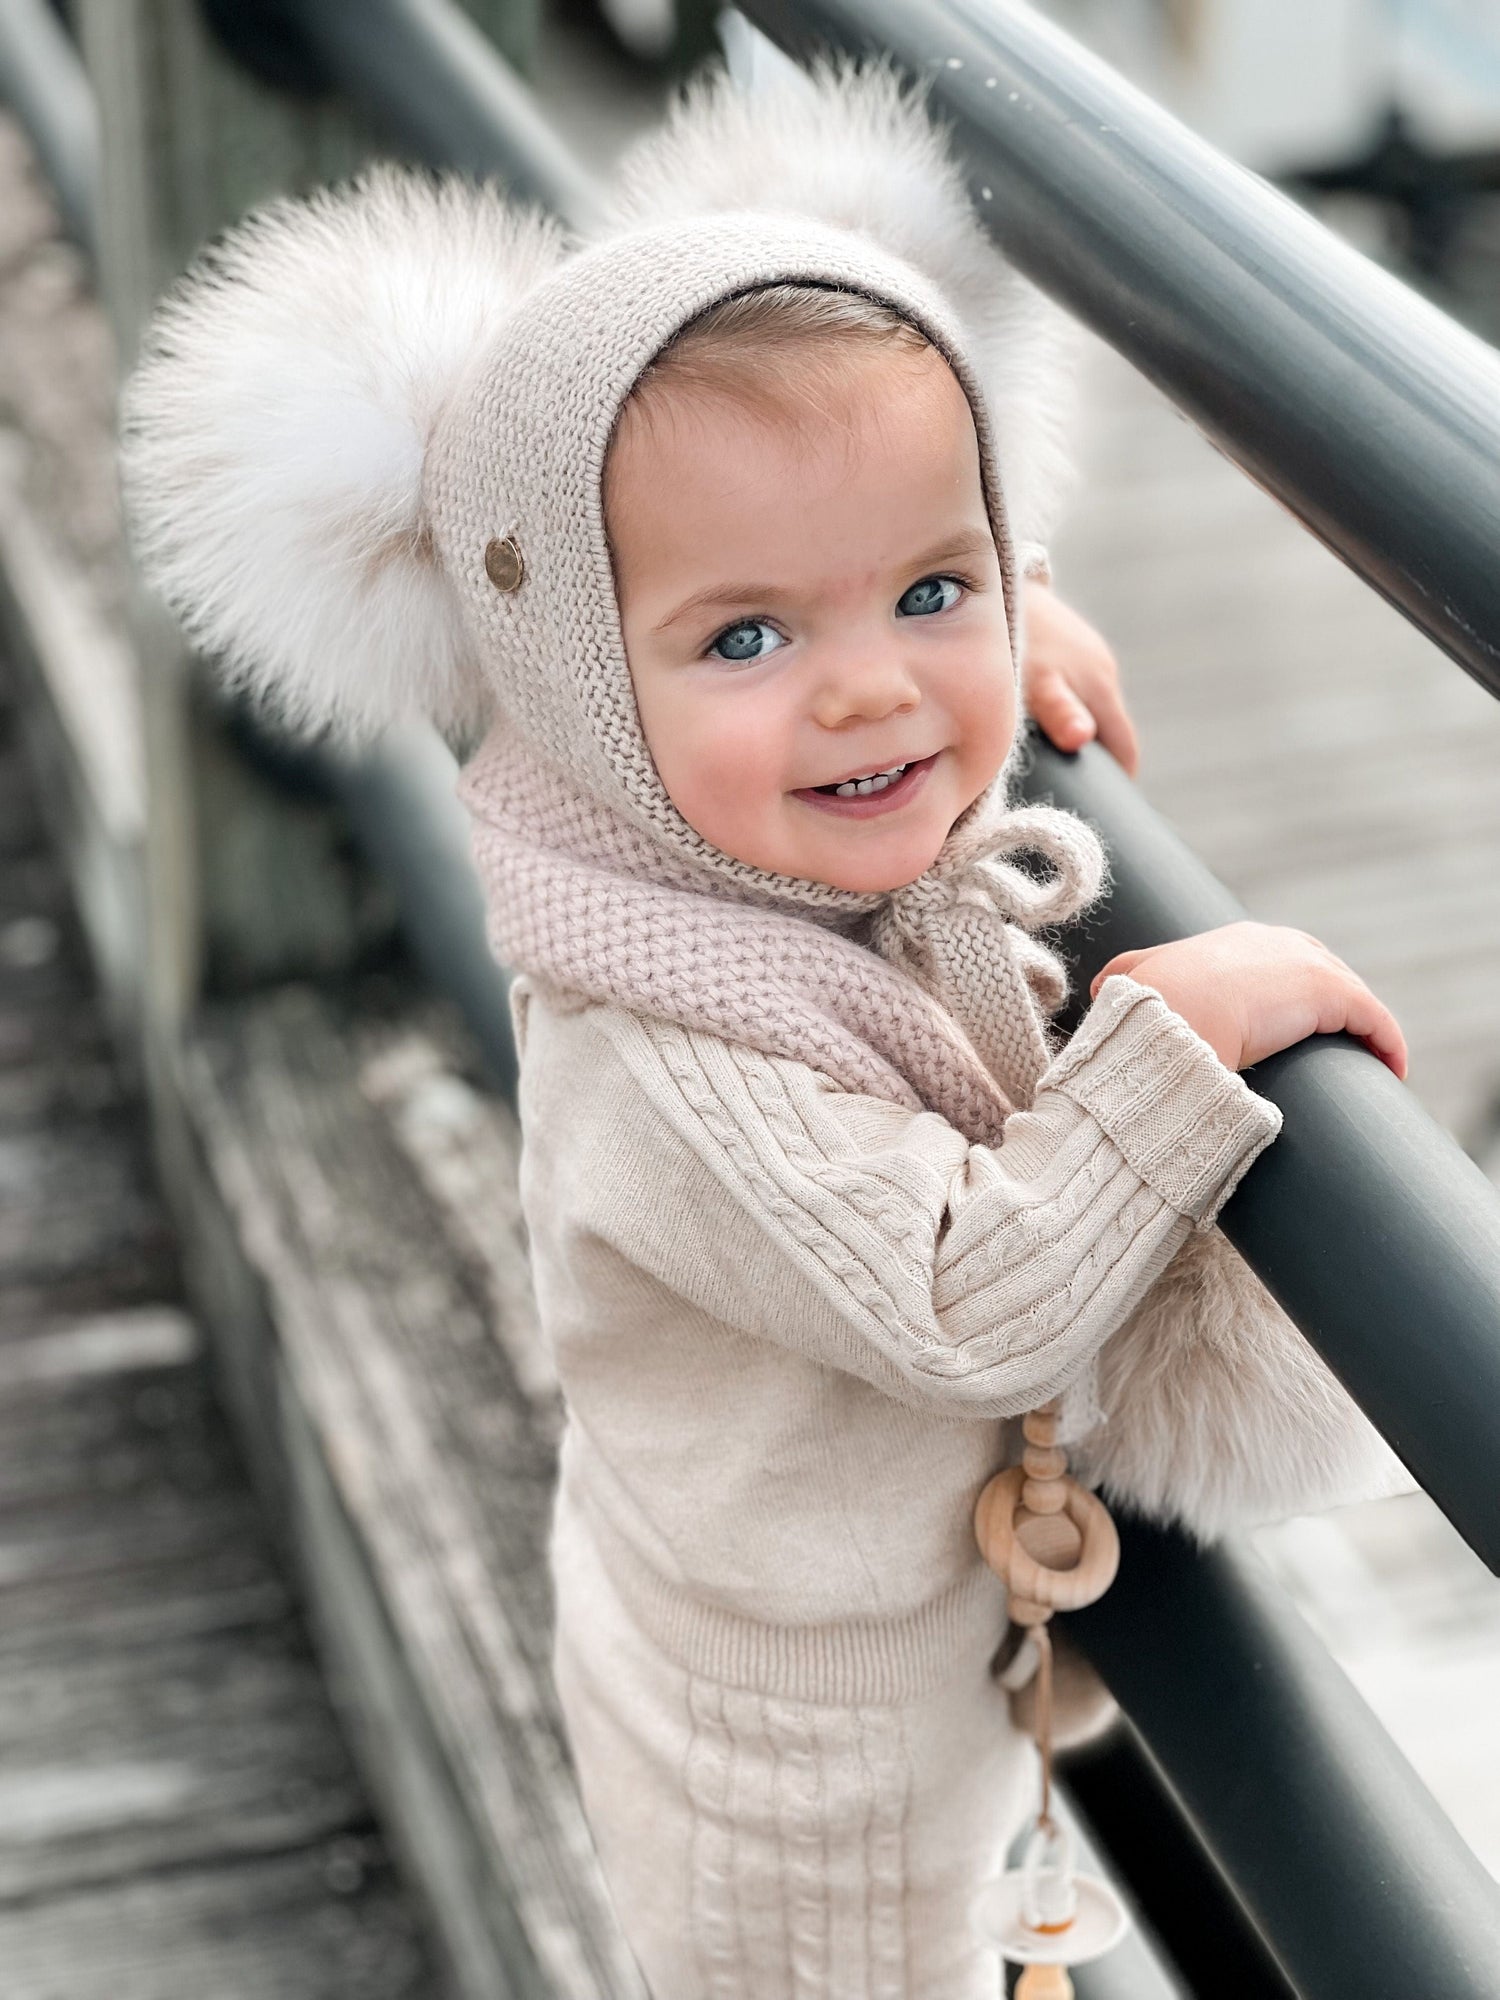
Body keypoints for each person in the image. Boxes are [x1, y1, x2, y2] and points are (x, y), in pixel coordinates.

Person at [121, 62, 1405, 1999]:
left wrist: (997, 624)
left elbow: (820, 611)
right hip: (800, 1774)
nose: (867, 694)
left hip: (845, 1611)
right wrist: (1159, 1038)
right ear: (571, 670)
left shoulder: (649, 809)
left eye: (929, 584)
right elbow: (971, 1298)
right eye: (746, 637)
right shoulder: (681, 1056)